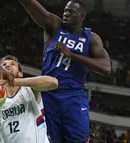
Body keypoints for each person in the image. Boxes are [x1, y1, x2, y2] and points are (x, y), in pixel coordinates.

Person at [18, 0, 111, 142]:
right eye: (65, 10)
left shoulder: (91, 38)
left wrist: (72, 55)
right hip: (49, 95)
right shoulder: (54, 26)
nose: (66, 13)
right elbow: (30, 5)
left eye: (71, 11)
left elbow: (106, 68)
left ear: (82, 16)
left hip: (74, 96)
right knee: (47, 140)